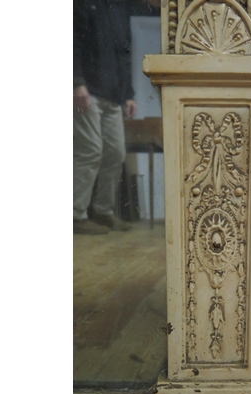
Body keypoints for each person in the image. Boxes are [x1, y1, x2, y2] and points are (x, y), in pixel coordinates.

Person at [73, 0, 137, 234]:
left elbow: (125, 55)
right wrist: (77, 83)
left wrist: (128, 94)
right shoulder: (82, 4)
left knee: (116, 152)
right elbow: (73, 44)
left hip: (114, 96)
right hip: (87, 91)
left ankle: (103, 212)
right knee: (89, 150)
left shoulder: (120, 8)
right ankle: (75, 214)